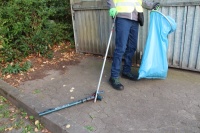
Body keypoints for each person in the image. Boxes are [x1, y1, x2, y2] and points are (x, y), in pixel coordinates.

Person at [107, 0, 160, 90]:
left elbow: (142, 1)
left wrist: (152, 5)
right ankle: (114, 76)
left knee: (132, 47)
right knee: (121, 48)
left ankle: (126, 71)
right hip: (122, 17)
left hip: (135, 19)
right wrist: (112, 7)